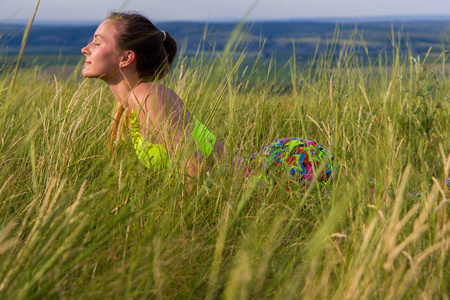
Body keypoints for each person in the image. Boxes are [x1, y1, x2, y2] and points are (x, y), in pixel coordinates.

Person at [81, 12, 336, 185]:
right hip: (264, 171)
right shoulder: (132, 104)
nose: (86, 49)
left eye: (97, 42)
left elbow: (194, 167)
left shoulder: (146, 95)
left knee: (364, 201)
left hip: (280, 169)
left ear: (126, 58)